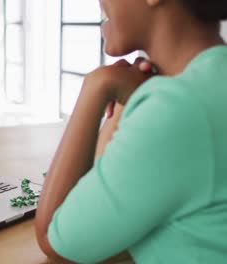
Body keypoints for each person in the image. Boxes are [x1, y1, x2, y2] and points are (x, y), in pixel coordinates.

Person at [35, 0, 227, 263]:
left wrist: (96, 87)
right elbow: (103, 219)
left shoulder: (179, 107)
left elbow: (57, 242)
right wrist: (129, 105)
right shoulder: (209, 82)